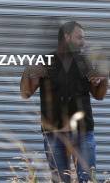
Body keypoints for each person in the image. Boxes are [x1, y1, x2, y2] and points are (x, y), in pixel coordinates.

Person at [20, 21, 108, 182]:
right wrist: (28, 72)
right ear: (67, 37)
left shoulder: (85, 62)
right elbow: (26, 93)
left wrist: (104, 79)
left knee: (87, 179)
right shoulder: (45, 61)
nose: (84, 42)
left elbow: (99, 95)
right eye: (80, 38)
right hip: (54, 135)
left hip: (84, 132)